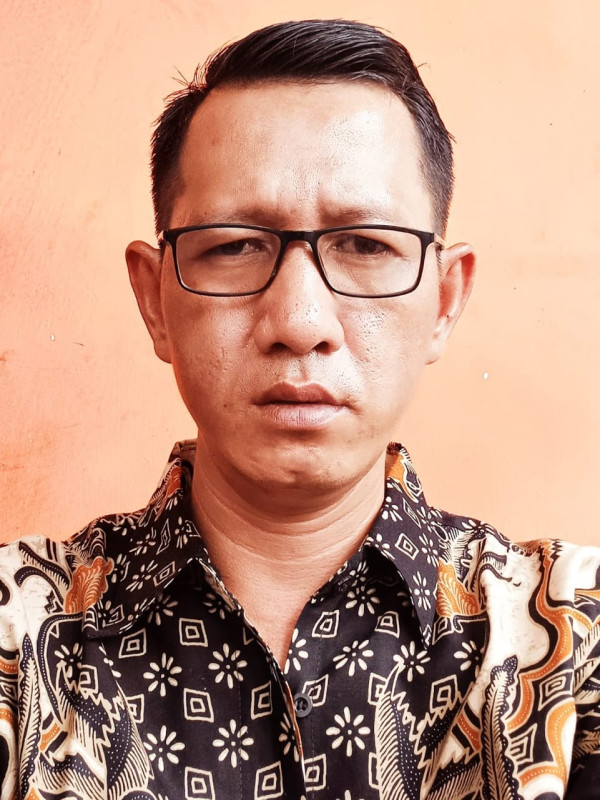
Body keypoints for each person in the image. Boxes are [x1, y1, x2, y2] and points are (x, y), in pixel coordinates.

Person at [0, 18, 598, 800]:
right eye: (234, 245)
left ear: (445, 300)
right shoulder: (18, 639)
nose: (301, 322)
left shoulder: (572, 642)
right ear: (154, 301)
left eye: (367, 245)